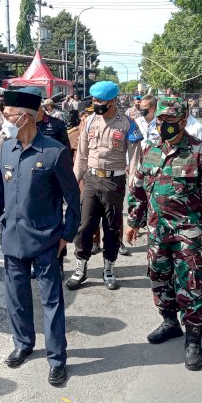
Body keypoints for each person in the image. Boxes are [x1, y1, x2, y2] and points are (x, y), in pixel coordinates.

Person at [0, 89, 81, 386]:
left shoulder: (53, 152)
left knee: (51, 302)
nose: (5, 121)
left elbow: (73, 200)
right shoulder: (7, 149)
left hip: (46, 239)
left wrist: (66, 235)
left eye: (8, 116)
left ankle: (57, 358)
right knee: (16, 298)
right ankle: (23, 343)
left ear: (25, 116)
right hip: (12, 237)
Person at [126, 97, 202, 370]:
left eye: (171, 120)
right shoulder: (150, 149)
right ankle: (169, 322)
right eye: (162, 120)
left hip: (187, 232)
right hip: (156, 230)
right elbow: (139, 189)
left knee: (190, 282)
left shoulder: (201, 151)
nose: (165, 125)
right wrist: (133, 222)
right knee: (159, 276)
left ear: (183, 120)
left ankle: (193, 338)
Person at [67, 80, 142, 291]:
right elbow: (81, 155)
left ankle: (109, 268)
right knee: (85, 225)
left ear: (111, 101)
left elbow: (135, 159)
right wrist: (74, 183)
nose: (95, 103)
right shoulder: (90, 121)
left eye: (99, 100)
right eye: (93, 99)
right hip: (90, 179)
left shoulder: (128, 124)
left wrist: (136, 188)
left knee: (111, 227)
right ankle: (80, 267)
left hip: (114, 181)